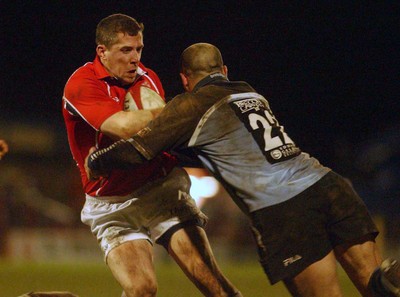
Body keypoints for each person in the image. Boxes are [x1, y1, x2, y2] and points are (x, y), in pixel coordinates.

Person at [85, 42, 400, 297]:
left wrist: (97, 161)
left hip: (285, 208)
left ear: (184, 79)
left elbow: (136, 151)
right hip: (329, 184)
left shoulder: (191, 106)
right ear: (224, 71)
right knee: (374, 286)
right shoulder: (248, 91)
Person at [62, 16, 241, 297]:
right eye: (125, 50)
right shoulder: (82, 83)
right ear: (102, 52)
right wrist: (181, 109)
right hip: (113, 205)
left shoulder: (148, 78)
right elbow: (123, 128)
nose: (135, 59)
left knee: (217, 288)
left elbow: (160, 137)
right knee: (142, 289)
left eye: (139, 49)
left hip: (162, 191)